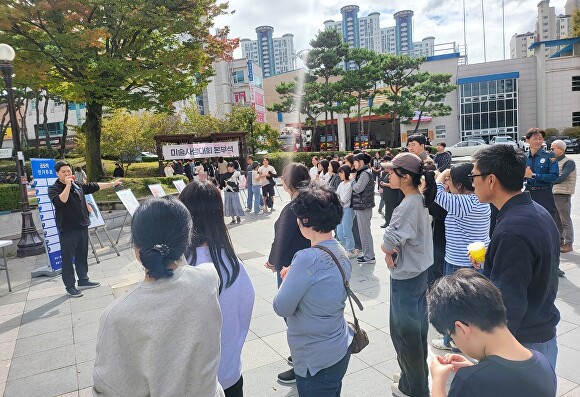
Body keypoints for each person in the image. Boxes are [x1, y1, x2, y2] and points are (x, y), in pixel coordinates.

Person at [92, 197, 224, 397]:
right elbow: (187, 271)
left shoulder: (116, 315)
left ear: (137, 251)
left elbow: (108, 388)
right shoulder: (207, 279)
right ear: (186, 241)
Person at [471, 144, 560, 369]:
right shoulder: (536, 211)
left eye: (474, 176)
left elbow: (509, 304)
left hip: (523, 345)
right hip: (541, 334)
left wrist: (492, 354)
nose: (472, 183)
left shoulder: (512, 229)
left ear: (491, 180)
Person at [273, 184, 354, 397]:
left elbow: (281, 307)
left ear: (305, 221)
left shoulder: (306, 258)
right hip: (338, 345)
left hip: (315, 357)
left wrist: (289, 277)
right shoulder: (339, 248)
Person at [428, 269, 557, 397]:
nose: (455, 342)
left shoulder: (471, 382)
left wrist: (438, 382)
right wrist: (477, 369)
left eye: (452, 336)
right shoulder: (544, 364)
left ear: (462, 328)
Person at [179, 182, 255, 397]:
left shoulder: (179, 267)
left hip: (191, 383)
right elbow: (243, 313)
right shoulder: (233, 264)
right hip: (230, 373)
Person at [381, 152, 436, 397]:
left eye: (392, 172)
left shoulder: (407, 206)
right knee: (417, 332)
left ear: (405, 177)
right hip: (419, 272)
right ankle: (412, 377)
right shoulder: (419, 199)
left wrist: (387, 250)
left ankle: (415, 388)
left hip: (406, 278)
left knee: (404, 335)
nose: (388, 175)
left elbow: (388, 242)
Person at [430, 163, 491, 351]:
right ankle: (472, 341)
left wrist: (444, 174)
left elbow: (436, 192)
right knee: (471, 305)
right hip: (477, 261)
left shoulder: (463, 203)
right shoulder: (481, 200)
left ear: (458, 184)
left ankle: (455, 344)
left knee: (454, 307)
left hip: (458, 263)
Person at [264, 163, 311, 384]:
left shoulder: (292, 207)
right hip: (309, 263)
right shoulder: (313, 200)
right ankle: (304, 355)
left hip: (289, 267)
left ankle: (302, 364)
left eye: (283, 178)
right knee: (304, 313)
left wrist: (273, 261)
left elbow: (280, 239)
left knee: (292, 316)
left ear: (289, 182)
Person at [48, 161, 122, 297]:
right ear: (57, 173)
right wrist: (68, 185)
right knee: (68, 258)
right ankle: (70, 286)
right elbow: (61, 201)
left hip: (82, 225)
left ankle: (83, 279)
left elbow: (93, 186)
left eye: (68, 171)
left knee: (82, 255)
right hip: (67, 229)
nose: (67, 174)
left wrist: (112, 184)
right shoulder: (54, 188)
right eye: (63, 172)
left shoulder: (78, 185)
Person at [524, 128, 559, 218]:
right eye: (535, 138)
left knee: (547, 220)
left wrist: (534, 175)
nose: (538, 141)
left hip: (544, 193)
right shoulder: (523, 157)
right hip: (528, 193)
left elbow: (554, 176)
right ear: (527, 140)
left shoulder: (549, 155)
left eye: (540, 138)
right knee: (528, 221)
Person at [551, 139, 576, 254]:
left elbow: (562, 177)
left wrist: (546, 180)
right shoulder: (554, 161)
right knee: (557, 221)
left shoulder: (568, 162)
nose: (550, 150)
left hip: (563, 194)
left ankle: (569, 243)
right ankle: (559, 242)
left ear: (560, 149)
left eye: (552, 148)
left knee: (565, 220)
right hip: (555, 193)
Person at [352, 152, 375, 264]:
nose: (353, 163)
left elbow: (358, 188)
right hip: (362, 205)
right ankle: (367, 255)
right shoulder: (362, 172)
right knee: (364, 231)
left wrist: (352, 180)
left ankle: (369, 256)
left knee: (365, 231)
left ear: (360, 162)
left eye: (355, 161)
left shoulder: (365, 173)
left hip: (363, 206)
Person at [336, 165, 357, 258]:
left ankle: (351, 250)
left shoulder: (350, 184)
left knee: (347, 231)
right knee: (340, 232)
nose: (339, 174)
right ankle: (347, 248)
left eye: (341, 172)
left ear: (346, 173)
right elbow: (336, 196)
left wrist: (339, 199)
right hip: (341, 209)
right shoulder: (341, 184)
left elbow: (344, 199)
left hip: (348, 209)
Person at [379, 159, 404, 229]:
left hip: (393, 196)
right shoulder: (388, 174)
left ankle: (390, 223)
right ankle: (387, 222)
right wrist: (382, 184)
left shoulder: (395, 174)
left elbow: (394, 185)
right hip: (387, 195)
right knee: (387, 210)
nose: (385, 168)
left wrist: (384, 184)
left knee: (391, 210)